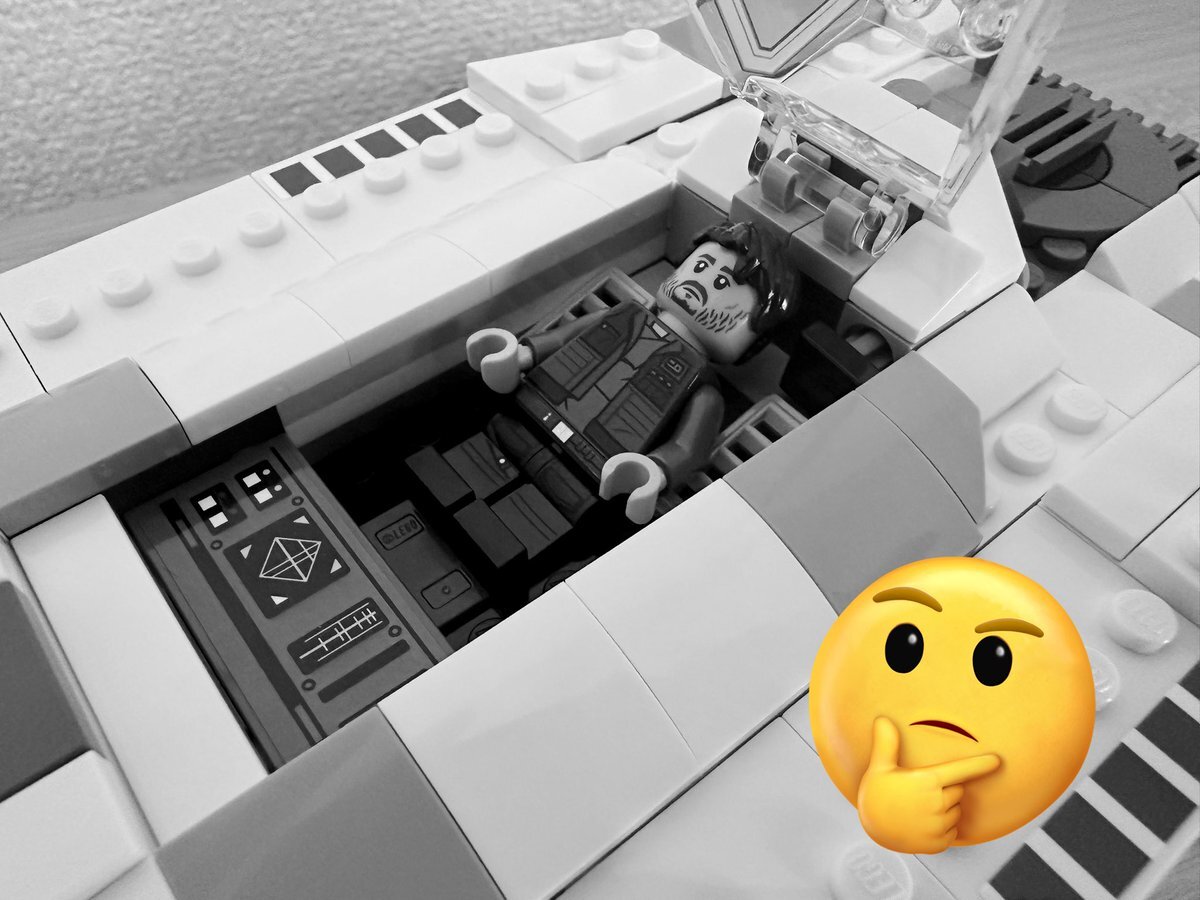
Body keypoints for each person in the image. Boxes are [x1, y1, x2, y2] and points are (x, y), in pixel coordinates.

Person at [465, 221, 801, 524]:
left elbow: (688, 448)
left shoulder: (704, 392)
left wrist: (656, 470)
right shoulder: (623, 316)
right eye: (700, 266)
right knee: (470, 460)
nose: (701, 284)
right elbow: (565, 338)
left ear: (753, 341)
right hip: (522, 417)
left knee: (541, 521)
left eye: (722, 283)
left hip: (587, 477)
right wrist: (522, 354)